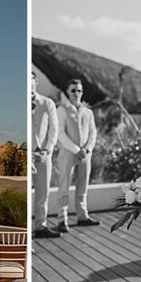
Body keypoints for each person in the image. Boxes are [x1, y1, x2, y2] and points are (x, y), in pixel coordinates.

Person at [55, 79, 99, 230]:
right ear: (68, 91)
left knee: (83, 187)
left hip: (85, 154)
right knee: (64, 187)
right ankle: (62, 219)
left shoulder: (88, 112)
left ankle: (82, 216)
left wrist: (87, 149)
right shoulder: (61, 110)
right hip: (67, 153)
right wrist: (76, 150)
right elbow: (60, 133)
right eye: (73, 90)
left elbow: (93, 132)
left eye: (79, 90)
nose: (76, 93)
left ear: (82, 92)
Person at [31, 72, 61, 238]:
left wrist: (48, 150)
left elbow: (54, 128)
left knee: (43, 192)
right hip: (26, 154)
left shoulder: (47, 102)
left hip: (44, 154)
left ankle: (41, 226)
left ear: (35, 81)